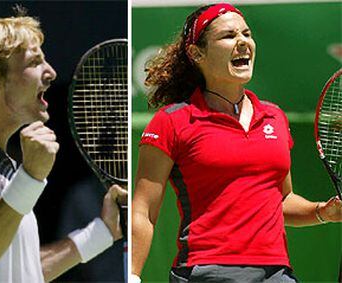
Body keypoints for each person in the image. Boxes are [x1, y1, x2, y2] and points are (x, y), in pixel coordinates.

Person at [131, 3, 342, 283]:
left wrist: (322, 212)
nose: (243, 42)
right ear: (197, 53)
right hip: (207, 271)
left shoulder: (274, 117)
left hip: (277, 273)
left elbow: (280, 200)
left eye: (247, 34)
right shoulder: (171, 121)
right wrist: (131, 276)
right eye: (228, 36)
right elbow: (143, 212)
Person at [0, 12, 127, 283]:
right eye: (35, 62)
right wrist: (30, 177)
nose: (51, 72)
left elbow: (22, 272)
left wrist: (102, 231)